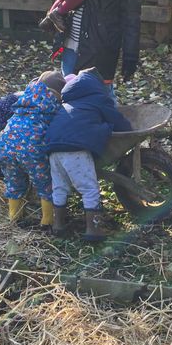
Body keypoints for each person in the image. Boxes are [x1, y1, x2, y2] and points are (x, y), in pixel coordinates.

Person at [45, 67, 132, 240]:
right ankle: (93, 229)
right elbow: (115, 119)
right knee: (89, 188)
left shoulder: (67, 102)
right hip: (75, 149)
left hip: (53, 147)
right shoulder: (99, 99)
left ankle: (58, 225)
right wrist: (126, 130)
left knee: (60, 186)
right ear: (97, 86)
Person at [0, 71, 64, 229]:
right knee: (45, 183)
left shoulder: (25, 97)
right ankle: (47, 221)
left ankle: (14, 218)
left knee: (14, 182)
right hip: (31, 149)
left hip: (5, 144)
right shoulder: (53, 104)